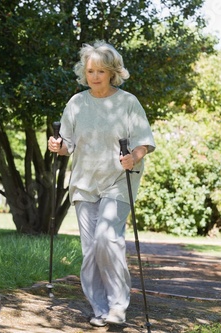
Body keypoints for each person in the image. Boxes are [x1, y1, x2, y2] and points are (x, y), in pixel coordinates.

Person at [48, 40, 155, 327]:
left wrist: (134, 156)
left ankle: (118, 307)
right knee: (91, 248)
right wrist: (56, 146)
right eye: (90, 71)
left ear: (112, 72)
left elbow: (145, 142)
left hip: (119, 181)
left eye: (100, 71)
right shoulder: (76, 103)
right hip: (84, 182)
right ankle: (99, 307)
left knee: (107, 238)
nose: (94, 76)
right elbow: (66, 145)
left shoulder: (128, 102)